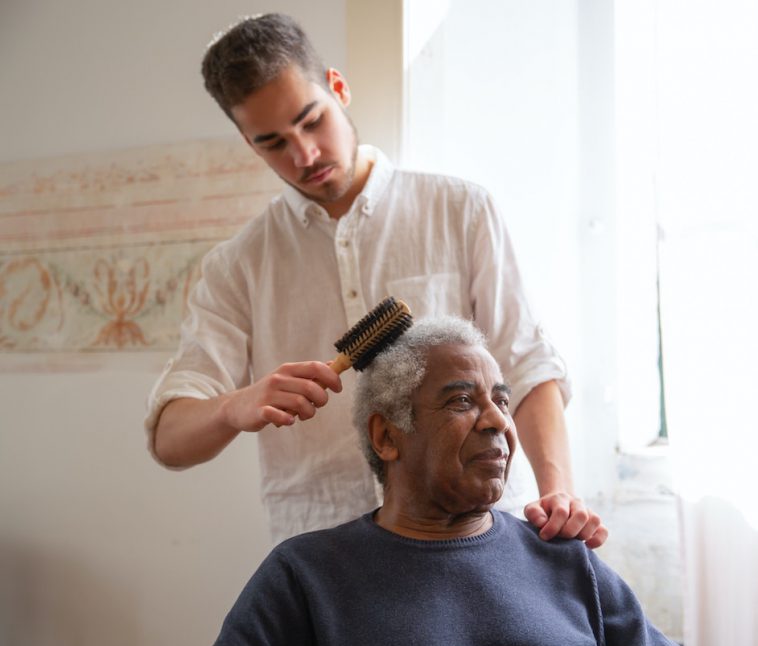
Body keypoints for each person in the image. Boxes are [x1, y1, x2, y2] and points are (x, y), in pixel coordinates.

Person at [144, 13, 605, 546]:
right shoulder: (237, 266)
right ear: (249, 144)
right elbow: (169, 439)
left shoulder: (461, 210)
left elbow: (525, 362)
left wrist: (559, 494)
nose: (304, 155)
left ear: (337, 88)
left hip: (476, 535)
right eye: (272, 142)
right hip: (327, 558)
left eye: (311, 121)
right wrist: (234, 405)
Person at [186, 317, 719, 646]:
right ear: (387, 436)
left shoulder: (563, 558)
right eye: (462, 400)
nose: (497, 422)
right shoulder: (306, 576)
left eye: (501, 401)